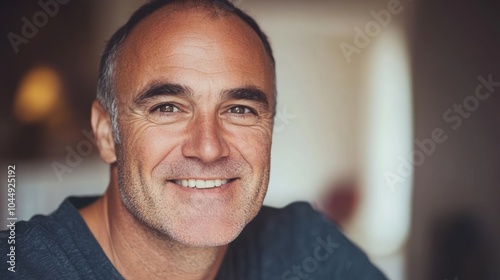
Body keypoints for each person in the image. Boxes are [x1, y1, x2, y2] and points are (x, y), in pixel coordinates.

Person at [1, 0, 387, 279]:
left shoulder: (305, 248)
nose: (208, 148)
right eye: (167, 107)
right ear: (106, 132)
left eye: (240, 109)